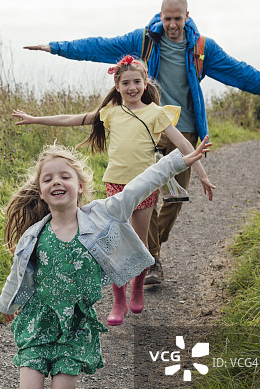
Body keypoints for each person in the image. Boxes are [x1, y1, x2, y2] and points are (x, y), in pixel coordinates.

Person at [24, 0, 260, 285]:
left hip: (184, 129)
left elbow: (240, 73)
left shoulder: (202, 49)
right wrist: (54, 48)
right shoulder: (146, 40)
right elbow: (99, 46)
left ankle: (146, 247)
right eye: (167, 18)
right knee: (147, 194)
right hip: (150, 130)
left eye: (177, 19)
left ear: (187, 16)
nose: (171, 25)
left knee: (175, 196)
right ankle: (152, 257)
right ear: (160, 16)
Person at [0, 140, 209, 389]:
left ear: (80, 186)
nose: (56, 181)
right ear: (42, 192)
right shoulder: (35, 233)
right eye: (48, 179)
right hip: (39, 323)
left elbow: (140, 183)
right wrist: (5, 306)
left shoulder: (101, 214)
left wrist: (176, 161)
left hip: (77, 327)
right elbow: (18, 275)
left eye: (65, 176)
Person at [12, 55, 214, 326]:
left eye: (137, 82)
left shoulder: (156, 113)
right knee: (114, 243)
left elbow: (185, 147)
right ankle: (119, 302)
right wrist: (35, 119)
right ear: (117, 86)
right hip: (116, 184)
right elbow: (72, 118)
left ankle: (138, 287)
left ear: (145, 83)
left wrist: (202, 175)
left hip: (146, 184)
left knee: (140, 245)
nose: (132, 87)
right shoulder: (110, 113)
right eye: (126, 82)